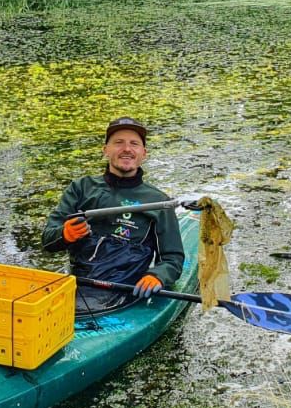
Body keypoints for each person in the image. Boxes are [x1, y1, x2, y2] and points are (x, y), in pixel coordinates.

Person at [43, 117, 186, 311]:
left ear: (143, 153)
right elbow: (48, 240)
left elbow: (172, 258)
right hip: (80, 286)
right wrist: (64, 234)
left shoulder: (159, 201)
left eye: (134, 144)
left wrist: (158, 275)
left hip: (127, 291)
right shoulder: (81, 188)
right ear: (105, 150)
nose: (127, 149)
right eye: (118, 142)